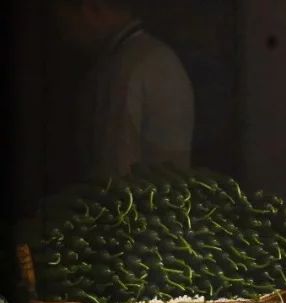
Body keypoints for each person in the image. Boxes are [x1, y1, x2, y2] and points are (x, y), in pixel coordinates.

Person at [51, 0, 195, 179]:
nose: (66, 36)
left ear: (92, 9)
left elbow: (115, 175)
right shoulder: (160, 56)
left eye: (66, 24)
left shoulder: (122, 68)